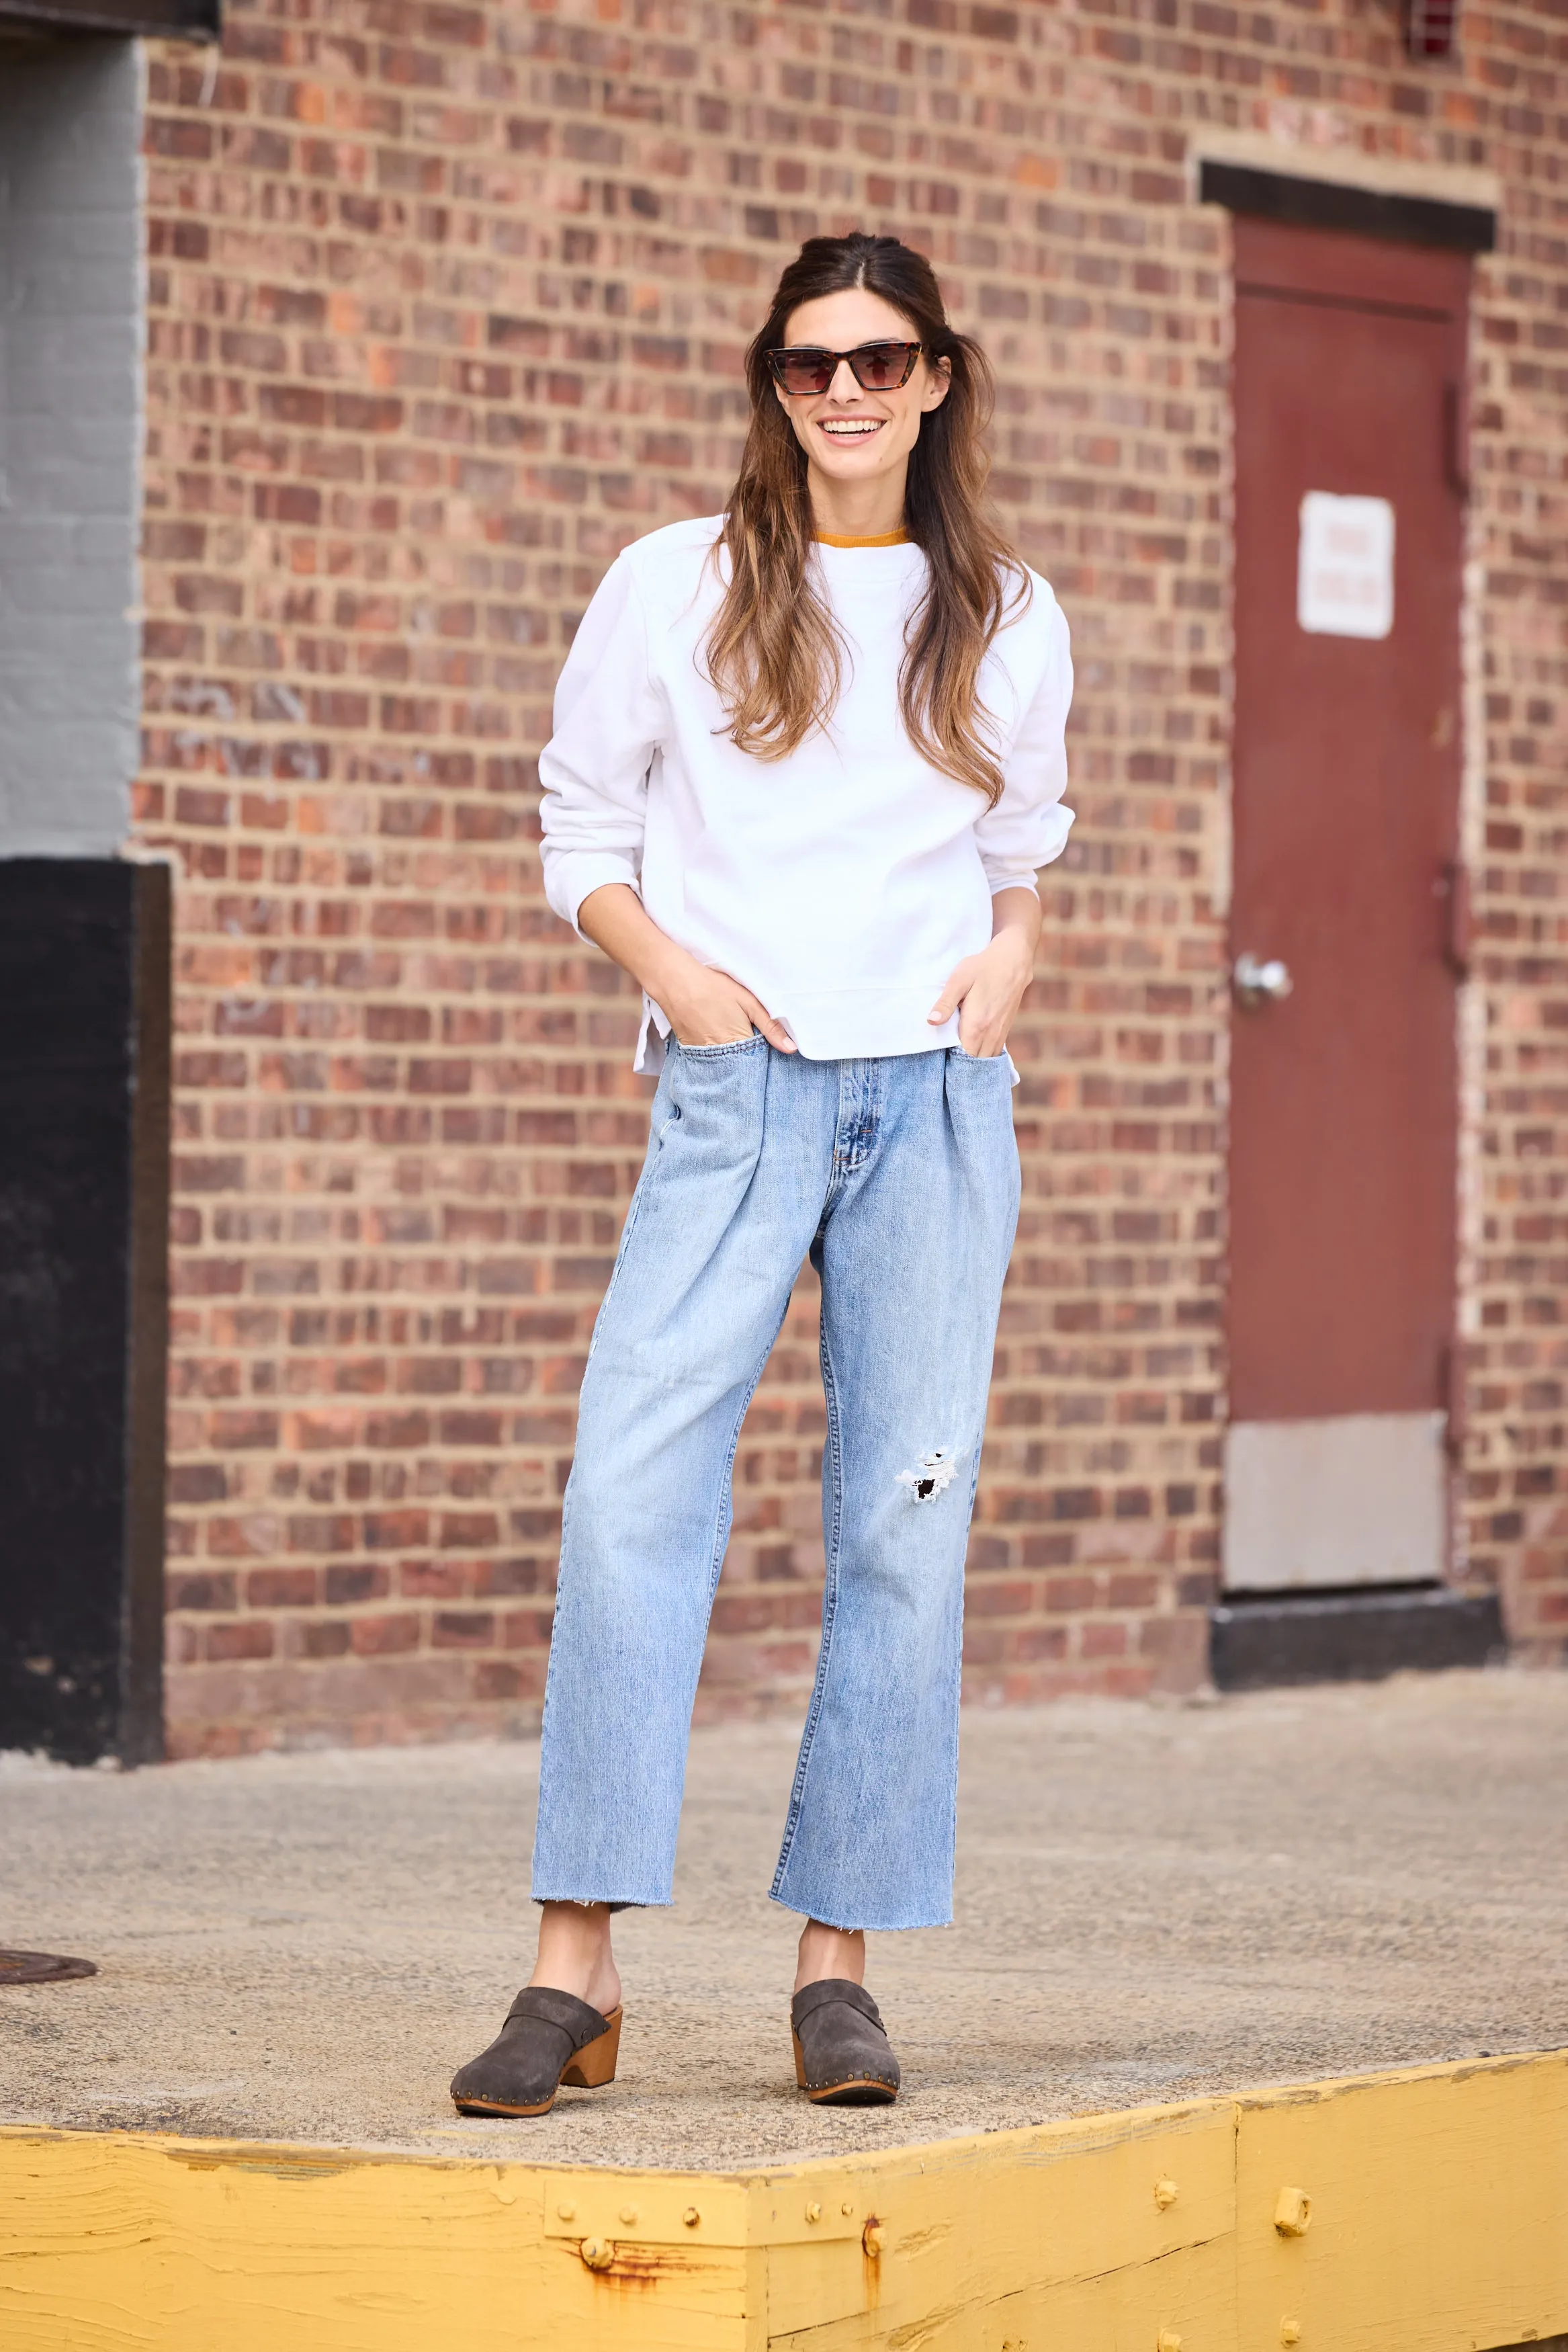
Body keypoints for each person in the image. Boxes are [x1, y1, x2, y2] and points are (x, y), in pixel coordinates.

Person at [449, 230, 1074, 2118]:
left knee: (898, 1525)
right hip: (738, 1093)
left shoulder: (1009, 611)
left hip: (933, 1104)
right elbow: (578, 826)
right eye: (810, 363)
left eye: (881, 358)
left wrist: (1010, 959)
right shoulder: (678, 584)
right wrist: (681, 989)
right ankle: (574, 1966)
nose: (847, 391)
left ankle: (838, 1965)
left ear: (938, 377)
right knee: (632, 1492)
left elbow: (1022, 840)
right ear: (774, 385)